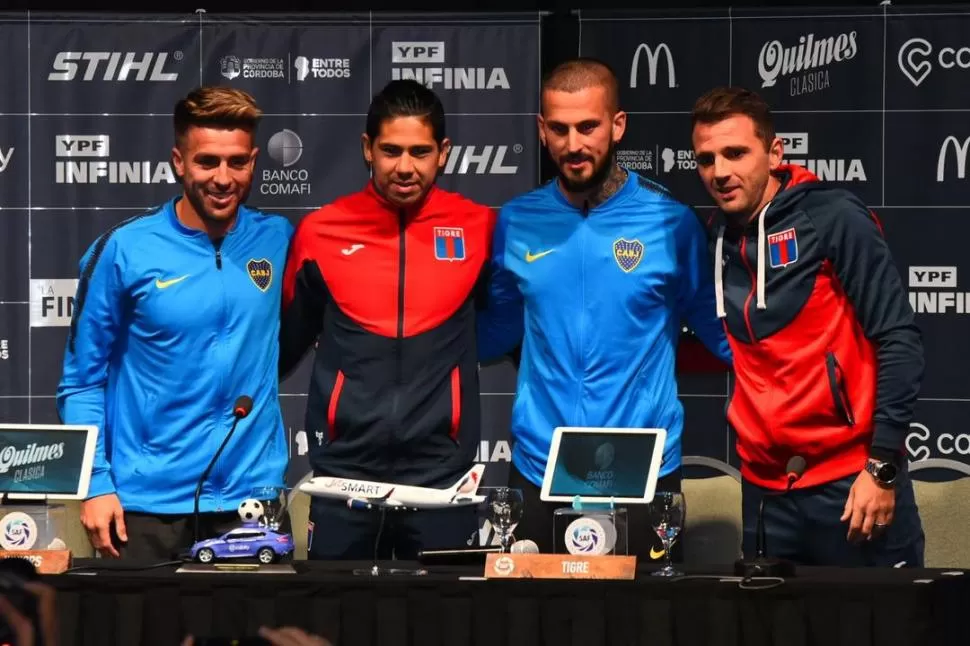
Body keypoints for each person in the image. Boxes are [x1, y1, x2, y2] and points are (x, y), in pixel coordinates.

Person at [476, 58, 731, 561]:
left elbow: (716, 328)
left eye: (588, 126)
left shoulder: (671, 224)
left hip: (644, 470)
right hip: (539, 466)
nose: (574, 144)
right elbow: (497, 328)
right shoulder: (517, 221)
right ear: (542, 130)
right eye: (561, 129)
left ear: (617, 125)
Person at [689, 86, 925, 566]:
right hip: (764, 490)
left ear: (775, 153)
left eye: (736, 153)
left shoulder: (833, 216)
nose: (720, 172)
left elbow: (899, 339)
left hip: (852, 482)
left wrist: (881, 468)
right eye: (706, 158)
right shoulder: (716, 234)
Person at [56, 86, 293, 561]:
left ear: (252, 161)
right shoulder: (123, 250)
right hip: (145, 507)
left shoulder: (280, 239)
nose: (223, 178)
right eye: (207, 162)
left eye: (237, 163)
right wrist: (97, 485)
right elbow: (81, 383)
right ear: (178, 162)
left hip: (251, 500)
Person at [279, 79, 494, 560]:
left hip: (441, 482)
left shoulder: (479, 228)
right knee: (331, 630)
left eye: (420, 152)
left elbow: (511, 332)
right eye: (391, 150)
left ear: (443, 152)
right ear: (367, 149)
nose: (404, 167)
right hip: (342, 481)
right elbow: (281, 348)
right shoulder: (320, 233)